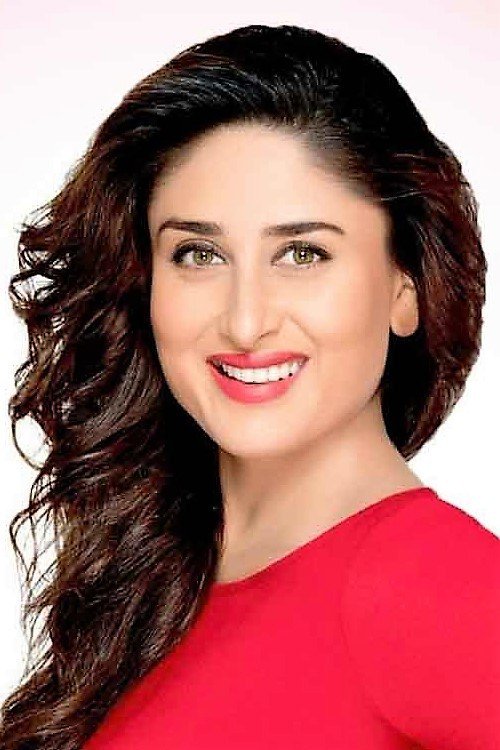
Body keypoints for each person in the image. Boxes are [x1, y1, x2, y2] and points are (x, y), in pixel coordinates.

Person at [2, 23, 498, 750]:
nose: (244, 321)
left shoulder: (438, 589)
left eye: (302, 253)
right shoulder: (151, 582)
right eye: (198, 254)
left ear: (407, 286)